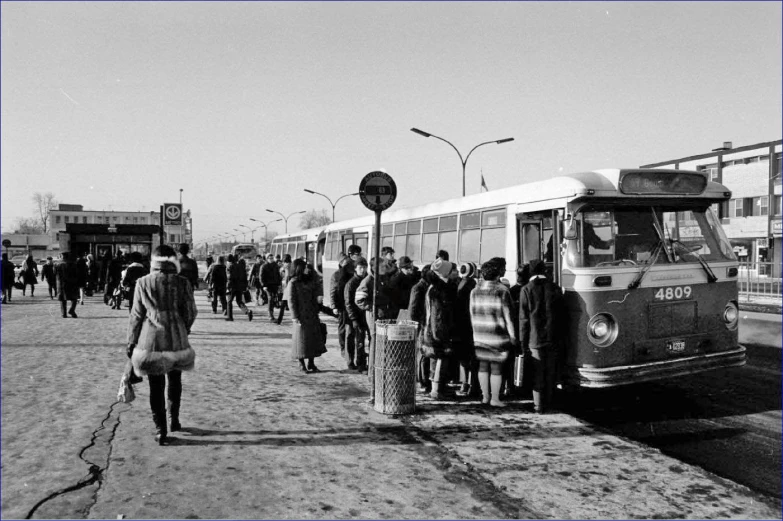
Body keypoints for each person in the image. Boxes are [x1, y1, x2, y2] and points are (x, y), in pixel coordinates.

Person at [127, 244, 198, 446]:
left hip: (152, 341)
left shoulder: (143, 283)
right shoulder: (182, 283)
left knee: (155, 386)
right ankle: (174, 419)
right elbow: (191, 312)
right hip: (177, 339)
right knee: (175, 380)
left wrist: (131, 341)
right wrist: (184, 328)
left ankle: (160, 429)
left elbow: (136, 316)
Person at [469, 257, 518, 407]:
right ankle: (495, 399)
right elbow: (508, 316)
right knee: (496, 367)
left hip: (479, 333)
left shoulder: (474, 291)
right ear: (498, 275)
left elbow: (471, 313)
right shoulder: (502, 291)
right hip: (497, 335)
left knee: (483, 365)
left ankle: (485, 397)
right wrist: (513, 336)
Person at [519, 259, 565, 414]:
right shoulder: (555, 288)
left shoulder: (526, 289)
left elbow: (524, 319)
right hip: (553, 337)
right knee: (550, 371)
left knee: (537, 372)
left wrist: (522, 342)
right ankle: (550, 403)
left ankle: (538, 406)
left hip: (534, 338)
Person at [420, 258, 457, 400]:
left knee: (436, 360)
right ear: (445, 272)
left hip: (432, 329)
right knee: (441, 359)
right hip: (438, 331)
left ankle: (437, 388)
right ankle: (437, 390)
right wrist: (440, 334)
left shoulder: (434, 287)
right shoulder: (440, 289)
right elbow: (438, 315)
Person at [288, 258, 326, 373]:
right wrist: (294, 316)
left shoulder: (311, 279)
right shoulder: (293, 282)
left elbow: (318, 285)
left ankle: (311, 362)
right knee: (301, 340)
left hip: (312, 313)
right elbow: (291, 300)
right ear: (299, 269)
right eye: (304, 267)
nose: (307, 269)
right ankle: (301, 363)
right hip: (301, 315)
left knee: (312, 339)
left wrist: (319, 296)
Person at [454, 262, 478, 398]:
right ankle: (469, 385)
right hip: (469, 325)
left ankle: (464, 384)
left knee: (463, 358)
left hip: (460, 325)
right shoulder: (472, 285)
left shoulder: (460, 284)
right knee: (470, 357)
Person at [408, 264, 432, 393]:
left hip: (423, 323)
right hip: (421, 324)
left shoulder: (424, 286)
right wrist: (416, 324)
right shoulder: (419, 288)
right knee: (422, 354)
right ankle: (422, 380)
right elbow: (413, 309)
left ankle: (423, 379)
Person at [344, 256, 369, 372]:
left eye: (364, 267)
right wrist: (353, 318)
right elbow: (348, 302)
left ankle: (361, 363)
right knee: (353, 340)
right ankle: (351, 362)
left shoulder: (367, 280)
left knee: (361, 340)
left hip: (364, 315)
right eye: (360, 268)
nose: (363, 270)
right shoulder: (351, 283)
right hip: (353, 316)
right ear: (355, 269)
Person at [330, 256, 355, 368]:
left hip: (351, 306)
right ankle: (343, 348)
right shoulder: (336, 275)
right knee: (343, 329)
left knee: (349, 331)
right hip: (342, 306)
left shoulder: (353, 275)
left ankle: (349, 354)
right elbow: (333, 291)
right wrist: (334, 305)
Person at [226, 254, 252, 322]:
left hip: (232, 287)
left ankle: (230, 317)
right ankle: (248, 311)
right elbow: (244, 277)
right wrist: (245, 286)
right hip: (239, 287)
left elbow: (230, 278)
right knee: (239, 301)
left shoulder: (230, 267)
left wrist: (228, 287)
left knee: (229, 302)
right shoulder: (241, 266)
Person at [55, 252, 80, 318]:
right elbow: (77, 274)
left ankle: (64, 314)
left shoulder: (58, 265)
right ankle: (72, 310)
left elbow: (55, 274)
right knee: (74, 298)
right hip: (72, 283)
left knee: (63, 299)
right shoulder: (74, 264)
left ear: (62, 257)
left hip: (61, 284)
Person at [261, 253, 283, 322]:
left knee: (273, 299)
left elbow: (278, 275)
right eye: (270, 258)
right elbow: (261, 277)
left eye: (272, 258)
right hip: (268, 286)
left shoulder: (275, 266)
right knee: (270, 298)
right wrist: (264, 285)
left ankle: (271, 314)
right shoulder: (264, 266)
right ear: (267, 259)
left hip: (275, 285)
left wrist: (279, 284)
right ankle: (270, 316)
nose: (271, 259)